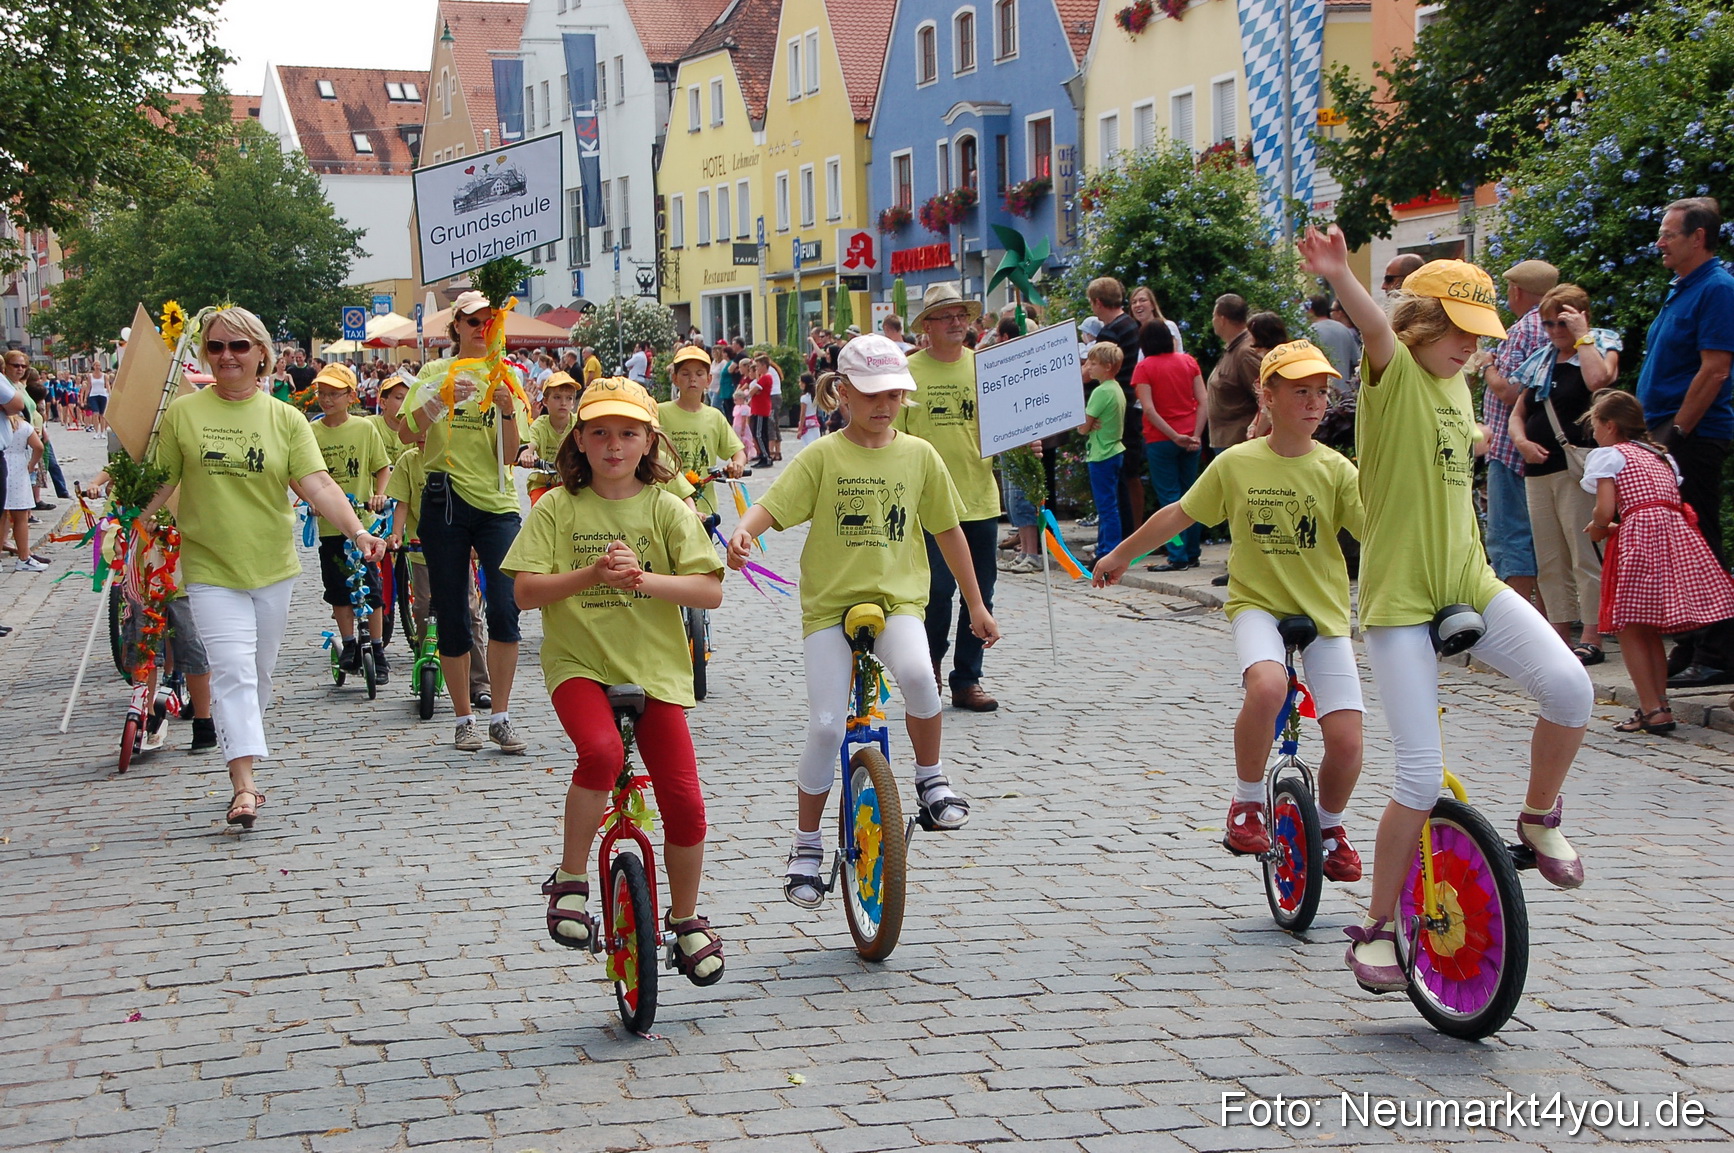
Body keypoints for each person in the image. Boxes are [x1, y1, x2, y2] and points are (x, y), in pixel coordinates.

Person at [1302, 226, 1593, 995]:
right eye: (1460, 333)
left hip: (1472, 583)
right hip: (1401, 601)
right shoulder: (1391, 374)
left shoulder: (1458, 385)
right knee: (1420, 774)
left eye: (1480, 336)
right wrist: (1340, 274)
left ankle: (1536, 815)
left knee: (1572, 690)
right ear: (1425, 326)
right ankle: (1379, 928)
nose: (1472, 348)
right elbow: (1371, 324)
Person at [726, 335, 1001, 908]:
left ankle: (930, 777)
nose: (884, 404)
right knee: (827, 725)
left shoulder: (920, 455)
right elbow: (773, 506)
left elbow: (949, 530)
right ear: (842, 392)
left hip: (899, 600)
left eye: (895, 394)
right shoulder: (823, 455)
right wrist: (745, 530)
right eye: (872, 393)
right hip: (830, 606)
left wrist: (976, 604)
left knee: (922, 679)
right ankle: (805, 844)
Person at [1094, 339, 1366, 878]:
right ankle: (1245, 803)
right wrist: (1121, 554)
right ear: (1267, 397)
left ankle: (1331, 828)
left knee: (1347, 739)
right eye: (1300, 391)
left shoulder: (1337, 469)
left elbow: (1377, 534)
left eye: (1322, 393)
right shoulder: (1238, 463)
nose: (1315, 402)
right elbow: (1180, 513)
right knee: (1268, 686)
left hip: (1325, 612)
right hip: (1257, 605)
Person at [505, 375, 727, 987]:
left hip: (653, 669)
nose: (613, 446)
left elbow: (710, 589)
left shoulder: (666, 507)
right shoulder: (556, 506)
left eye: (628, 434)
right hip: (580, 662)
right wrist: (591, 573)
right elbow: (524, 592)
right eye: (599, 433)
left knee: (684, 801)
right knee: (600, 751)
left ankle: (684, 920)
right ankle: (571, 879)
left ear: (650, 442)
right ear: (577, 440)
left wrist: (641, 581)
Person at [147, 305, 386, 828]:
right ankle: (245, 785)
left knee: (256, 674)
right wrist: (128, 522)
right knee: (231, 670)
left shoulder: (285, 418)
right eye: (216, 347)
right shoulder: (184, 414)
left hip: (272, 567)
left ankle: (245, 757)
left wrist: (359, 531)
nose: (227, 356)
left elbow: (318, 484)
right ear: (205, 355)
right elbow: (160, 482)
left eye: (238, 347)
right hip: (209, 567)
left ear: (261, 354)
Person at [399, 289, 531, 754]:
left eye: (489, 321)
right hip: (445, 500)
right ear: (455, 326)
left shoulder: (508, 376)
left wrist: (507, 408)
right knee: (451, 610)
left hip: (497, 504)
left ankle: (501, 714)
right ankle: (463, 719)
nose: (481, 328)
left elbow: (513, 455)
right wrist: (440, 400)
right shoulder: (434, 371)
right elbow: (407, 431)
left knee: (504, 606)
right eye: (472, 321)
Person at [1583, 390, 1734, 735]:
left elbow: (1606, 510)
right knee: (1648, 627)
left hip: (1639, 538)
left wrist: (1598, 528)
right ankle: (1659, 704)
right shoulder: (1661, 456)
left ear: (1609, 425)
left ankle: (1652, 708)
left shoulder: (1608, 455)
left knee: (1630, 628)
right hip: (1674, 536)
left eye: (1594, 424)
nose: (1593, 432)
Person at [1635, 197, 1734, 688]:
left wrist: (1675, 435)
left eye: (1669, 233)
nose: (1660, 242)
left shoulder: (1717, 288)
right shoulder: (1684, 288)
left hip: (1692, 434)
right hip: (1668, 430)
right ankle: (1692, 643)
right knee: (1678, 545)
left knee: (1700, 540)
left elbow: (1714, 369)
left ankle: (1719, 649)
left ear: (1698, 237)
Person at [898, 284, 1003, 712]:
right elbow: (894, 435)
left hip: (979, 496)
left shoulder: (985, 368)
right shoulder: (907, 373)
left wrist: (1027, 443)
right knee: (936, 591)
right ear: (927, 326)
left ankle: (968, 678)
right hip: (928, 504)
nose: (958, 323)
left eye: (962, 315)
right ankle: (930, 667)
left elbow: (1004, 424)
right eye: (947, 316)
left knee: (980, 591)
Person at [1509, 284, 1620, 664]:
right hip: (1539, 468)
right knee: (1550, 556)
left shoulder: (1601, 345)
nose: (1555, 330)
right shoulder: (1542, 360)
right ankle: (1558, 632)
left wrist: (1581, 335)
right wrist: (1522, 441)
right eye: (1548, 323)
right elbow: (1519, 412)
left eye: (1561, 321)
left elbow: (1597, 382)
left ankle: (1593, 633)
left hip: (1578, 468)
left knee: (1584, 551)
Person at [1478, 259, 1557, 615]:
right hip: (1538, 446)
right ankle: (1545, 613)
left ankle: (1518, 613)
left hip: (1510, 447)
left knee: (1510, 534)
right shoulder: (1555, 323)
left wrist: (1488, 365)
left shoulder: (1525, 329)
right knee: (1540, 535)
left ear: (1517, 290)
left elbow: (1510, 390)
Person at [308, 364, 393, 682]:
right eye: (322, 393)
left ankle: (377, 648)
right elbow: (299, 474)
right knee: (338, 589)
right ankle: (347, 644)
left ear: (350, 396)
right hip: (331, 526)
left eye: (333, 394)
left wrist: (379, 495)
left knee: (371, 590)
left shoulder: (364, 429)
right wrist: (311, 500)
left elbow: (382, 467)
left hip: (364, 524)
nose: (326, 400)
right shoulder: (312, 432)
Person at [1132, 320, 1206, 572]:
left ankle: (1177, 554)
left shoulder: (1144, 368)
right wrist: (1195, 434)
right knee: (1192, 496)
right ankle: (1193, 551)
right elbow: (1203, 400)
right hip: (1191, 434)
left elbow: (1149, 410)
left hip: (1161, 439)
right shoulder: (1189, 362)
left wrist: (1173, 435)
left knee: (1169, 499)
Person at [658, 345, 746, 524]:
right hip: (667, 503)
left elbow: (738, 451)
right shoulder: (659, 412)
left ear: (708, 379)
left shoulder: (714, 417)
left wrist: (737, 464)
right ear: (675, 378)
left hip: (704, 506)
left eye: (699, 374)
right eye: (685, 374)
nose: (692, 379)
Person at [1089, 278, 1145, 534]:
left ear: (1098, 302)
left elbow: (1090, 374)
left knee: (1113, 485)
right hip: (1129, 403)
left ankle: (1119, 536)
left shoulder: (1110, 332)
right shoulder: (1131, 324)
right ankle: (1133, 530)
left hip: (1109, 412)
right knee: (1128, 474)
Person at [1079, 342, 1126, 561]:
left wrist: (1087, 422)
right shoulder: (1116, 389)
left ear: (1107, 366)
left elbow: (1082, 427)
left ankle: (1109, 550)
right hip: (1114, 449)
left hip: (1101, 453)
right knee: (1109, 503)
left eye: (1094, 363)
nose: (1089, 367)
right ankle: (1105, 546)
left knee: (1106, 506)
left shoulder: (1101, 392)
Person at [1206, 294, 1263, 452]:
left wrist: (1256, 431)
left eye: (1213, 316)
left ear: (1222, 319)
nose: (1212, 321)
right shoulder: (1233, 349)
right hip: (1227, 441)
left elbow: (1266, 396)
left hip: (1239, 442)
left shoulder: (1245, 352)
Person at [519, 371, 578, 503]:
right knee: (540, 509)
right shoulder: (540, 424)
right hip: (542, 483)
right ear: (545, 401)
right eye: (557, 397)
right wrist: (527, 454)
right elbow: (530, 443)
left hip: (571, 481)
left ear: (573, 403)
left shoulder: (578, 423)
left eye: (569, 398)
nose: (563, 403)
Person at [3, 402, 43, 571]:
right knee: (21, 517)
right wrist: (32, 464)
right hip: (18, 468)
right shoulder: (23, 426)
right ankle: (24, 557)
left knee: (1, 515)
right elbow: (39, 447)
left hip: (2, 465)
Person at [1306, 295, 1359, 389]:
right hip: (1345, 390)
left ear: (1311, 311)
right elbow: (1356, 360)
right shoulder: (1344, 329)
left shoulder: (1311, 332)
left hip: (1322, 390)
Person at [1130, 285, 1184, 357]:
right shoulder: (1138, 335)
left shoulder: (1167, 326)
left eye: (1142, 300)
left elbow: (1170, 357)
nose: (1138, 305)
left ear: (1152, 305)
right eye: (1134, 302)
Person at [748, 352, 779, 468]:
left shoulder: (767, 377)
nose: (757, 369)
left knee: (759, 434)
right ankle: (762, 455)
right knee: (758, 433)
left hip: (762, 409)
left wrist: (754, 392)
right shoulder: (762, 377)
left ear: (764, 366)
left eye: (758, 366)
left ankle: (766, 456)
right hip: (757, 409)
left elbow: (752, 391)